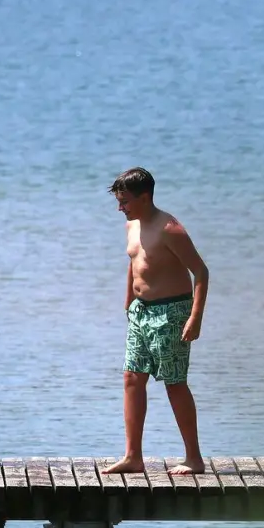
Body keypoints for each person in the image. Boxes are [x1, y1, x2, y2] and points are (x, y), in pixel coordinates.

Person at [100, 167, 209, 476]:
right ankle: (133, 456)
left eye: (125, 202)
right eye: (119, 202)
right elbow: (134, 265)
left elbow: (201, 272)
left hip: (171, 313)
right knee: (132, 378)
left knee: (175, 384)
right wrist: (128, 302)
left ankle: (194, 458)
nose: (121, 208)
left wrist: (195, 317)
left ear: (145, 197)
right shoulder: (132, 226)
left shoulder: (169, 229)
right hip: (141, 313)